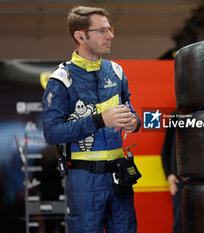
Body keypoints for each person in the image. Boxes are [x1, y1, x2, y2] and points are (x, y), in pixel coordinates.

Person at [42, 6, 141, 233]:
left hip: (120, 177)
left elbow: (131, 113)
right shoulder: (61, 79)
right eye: (102, 31)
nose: (111, 36)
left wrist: (133, 123)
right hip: (84, 180)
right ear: (80, 36)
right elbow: (52, 133)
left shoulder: (116, 71)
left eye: (110, 29)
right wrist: (98, 121)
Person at [161, 111, 187, 233]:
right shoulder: (176, 116)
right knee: (180, 224)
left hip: (203, 182)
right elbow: (166, 148)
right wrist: (169, 176)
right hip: (179, 181)